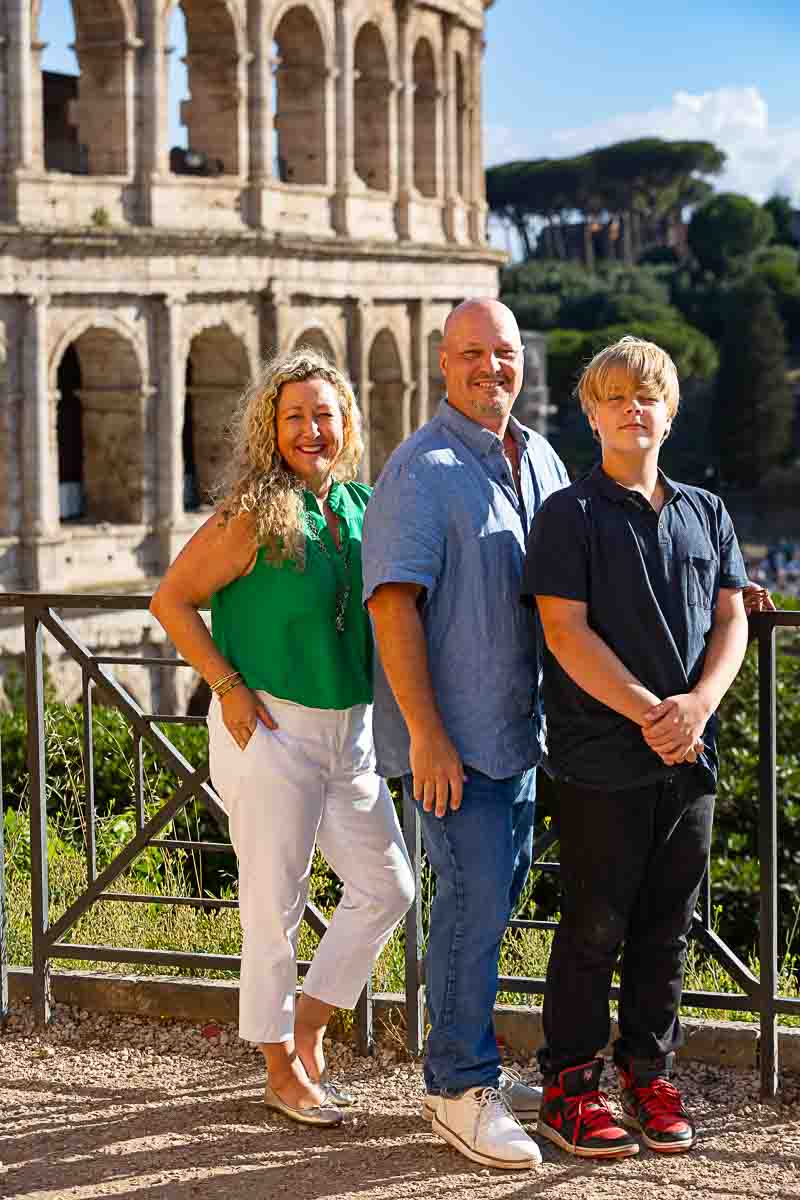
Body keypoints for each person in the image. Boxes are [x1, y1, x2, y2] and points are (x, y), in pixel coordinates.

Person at [150, 349, 414, 1128]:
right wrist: (226, 687)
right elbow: (172, 600)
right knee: (275, 906)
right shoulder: (249, 513)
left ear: (347, 425)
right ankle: (278, 1065)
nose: (310, 429)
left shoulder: (366, 506)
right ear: (270, 427)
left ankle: (306, 1024)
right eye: (293, 416)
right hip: (268, 727)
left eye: (323, 415)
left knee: (388, 887)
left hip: (351, 734)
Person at [523, 335, 752, 1159]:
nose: (633, 408)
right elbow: (564, 629)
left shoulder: (707, 512)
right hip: (599, 757)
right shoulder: (568, 515)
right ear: (590, 414)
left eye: (648, 395)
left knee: (667, 924)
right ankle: (569, 1087)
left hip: (690, 756)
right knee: (593, 925)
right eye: (615, 396)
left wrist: (698, 706)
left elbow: (731, 618)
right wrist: (654, 709)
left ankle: (648, 1073)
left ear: (670, 411)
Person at [362, 299, 569, 1170]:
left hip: (521, 733)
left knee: (492, 900)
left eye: (506, 353)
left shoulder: (541, 454)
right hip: (457, 743)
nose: (493, 368)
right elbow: (392, 606)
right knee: (469, 909)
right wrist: (427, 736)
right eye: (473, 354)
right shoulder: (422, 470)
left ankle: (469, 1061)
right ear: (443, 364)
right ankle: (455, 1088)